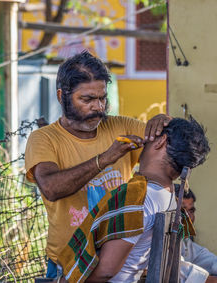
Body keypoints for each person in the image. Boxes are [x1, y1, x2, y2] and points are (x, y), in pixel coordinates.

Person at [24, 51, 171, 278]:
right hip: (69, 263)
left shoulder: (121, 126)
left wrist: (164, 122)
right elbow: (52, 188)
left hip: (117, 260)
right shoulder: (44, 139)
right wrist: (104, 159)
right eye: (87, 99)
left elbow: (166, 147)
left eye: (102, 98)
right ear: (62, 96)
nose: (98, 107)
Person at [58, 117, 216, 283]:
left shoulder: (139, 196)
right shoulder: (168, 194)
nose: (145, 138)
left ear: (162, 141)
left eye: (151, 135)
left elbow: (106, 270)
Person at [175, 185, 217, 276]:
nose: (189, 217)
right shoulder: (156, 239)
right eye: (183, 211)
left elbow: (207, 259)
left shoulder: (185, 242)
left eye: (191, 211)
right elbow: (175, 271)